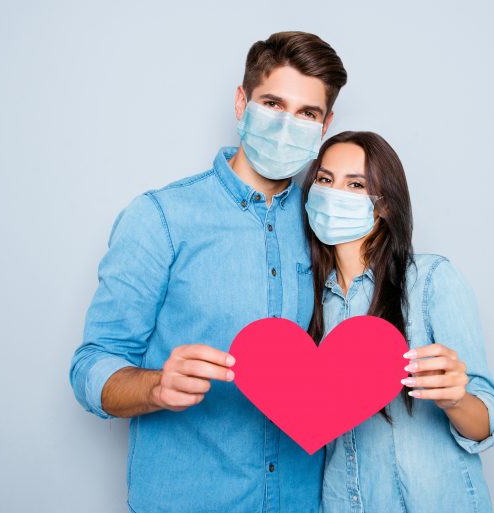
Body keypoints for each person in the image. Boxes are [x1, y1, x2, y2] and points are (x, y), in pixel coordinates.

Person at [69, 32, 347, 513]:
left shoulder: (330, 228)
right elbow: (91, 365)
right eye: (272, 103)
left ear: (326, 124)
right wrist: (154, 386)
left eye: (307, 113)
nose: (287, 124)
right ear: (241, 103)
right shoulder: (161, 217)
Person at [302, 131, 494, 513]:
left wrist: (455, 398)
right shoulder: (308, 301)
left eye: (356, 184)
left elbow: (487, 422)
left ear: (384, 205)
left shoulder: (431, 280)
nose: (334, 193)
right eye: (325, 179)